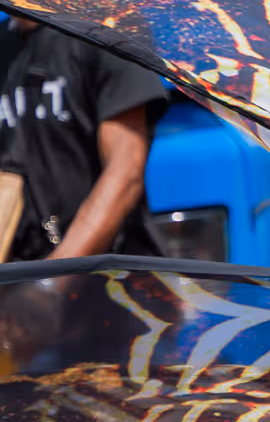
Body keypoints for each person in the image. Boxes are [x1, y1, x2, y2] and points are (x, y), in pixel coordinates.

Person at [0, 19, 165, 261]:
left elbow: (126, 170)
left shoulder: (107, 27)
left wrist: (51, 282)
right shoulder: (4, 45)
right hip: (18, 272)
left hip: (105, 274)